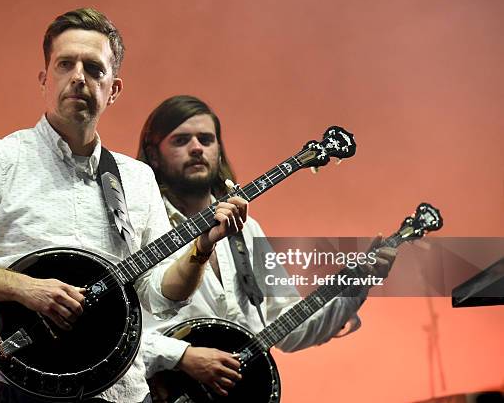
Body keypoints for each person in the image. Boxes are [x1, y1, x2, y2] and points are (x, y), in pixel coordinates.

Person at [0, 10, 247, 403]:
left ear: (114, 89)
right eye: (65, 64)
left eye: (94, 68)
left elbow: (158, 297)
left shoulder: (136, 178)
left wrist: (201, 248)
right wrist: (27, 289)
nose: (78, 77)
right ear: (43, 78)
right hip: (25, 386)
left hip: (122, 391)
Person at [136, 95, 397, 398]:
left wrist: (359, 282)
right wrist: (182, 356)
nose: (197, 148)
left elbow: (288, 326)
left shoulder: (246, 232)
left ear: (219, 152)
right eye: (181, 140)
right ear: (154, 155)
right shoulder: (142, 226)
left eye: (206, 139)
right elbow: (114, 334)